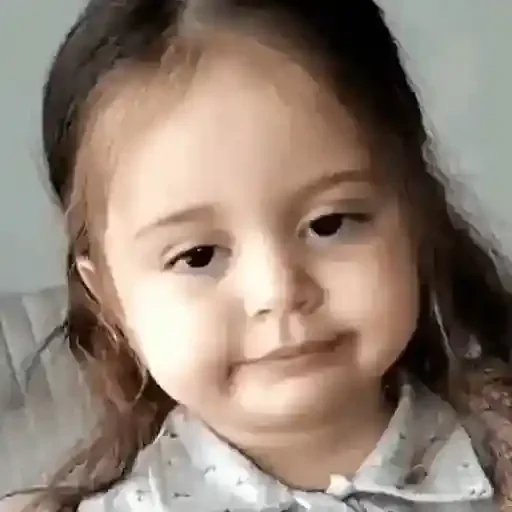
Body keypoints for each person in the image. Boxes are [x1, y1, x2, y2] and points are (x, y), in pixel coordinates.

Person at [5, 0, 512, 510]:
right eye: (198, 255)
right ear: (111, 299)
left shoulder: (497, 447)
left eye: (329, 224)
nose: (278, 291)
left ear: (414, 216)